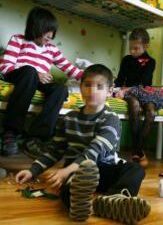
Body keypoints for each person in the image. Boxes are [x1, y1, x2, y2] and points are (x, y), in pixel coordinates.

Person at [15, 64, 150, 223]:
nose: (92, 91)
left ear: (109, 91)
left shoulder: (111, 118)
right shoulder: (69, 118)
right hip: (79, 174)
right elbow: (54, 151)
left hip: (104, 169)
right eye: (87, 85)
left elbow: (95, 150)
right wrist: (33, 171)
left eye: (99, 86)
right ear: (80, 87)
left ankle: (116, 198)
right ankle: (79, 206)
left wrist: (65, 171)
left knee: (135, 169)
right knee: (67, 189)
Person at [0, 7, 81, 157]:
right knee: (30, 72)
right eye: (47, 31)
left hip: (40, 81)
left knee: (61, 89)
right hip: (21, 75)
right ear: (35, 27)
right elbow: (5, 67)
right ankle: (11, 131)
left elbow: (70, 69)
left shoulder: (52, 49)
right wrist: (37, 74)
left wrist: (95, 78)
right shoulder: (18, 39)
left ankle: (36, 137)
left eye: (53, 32)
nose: (51, 36)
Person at [114, 28, 163, 167]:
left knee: (151, 112)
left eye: (136, 48)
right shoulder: (126, 60)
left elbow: (144, 82)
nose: (132, 51)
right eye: (131, 48)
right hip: (129, 92)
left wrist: (128, 88)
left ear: (146, 46)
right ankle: (138, 152)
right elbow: (121, 78)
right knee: (134, 105)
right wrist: (114, 88)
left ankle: (137, 149)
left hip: (144, 91)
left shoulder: (150, 62)